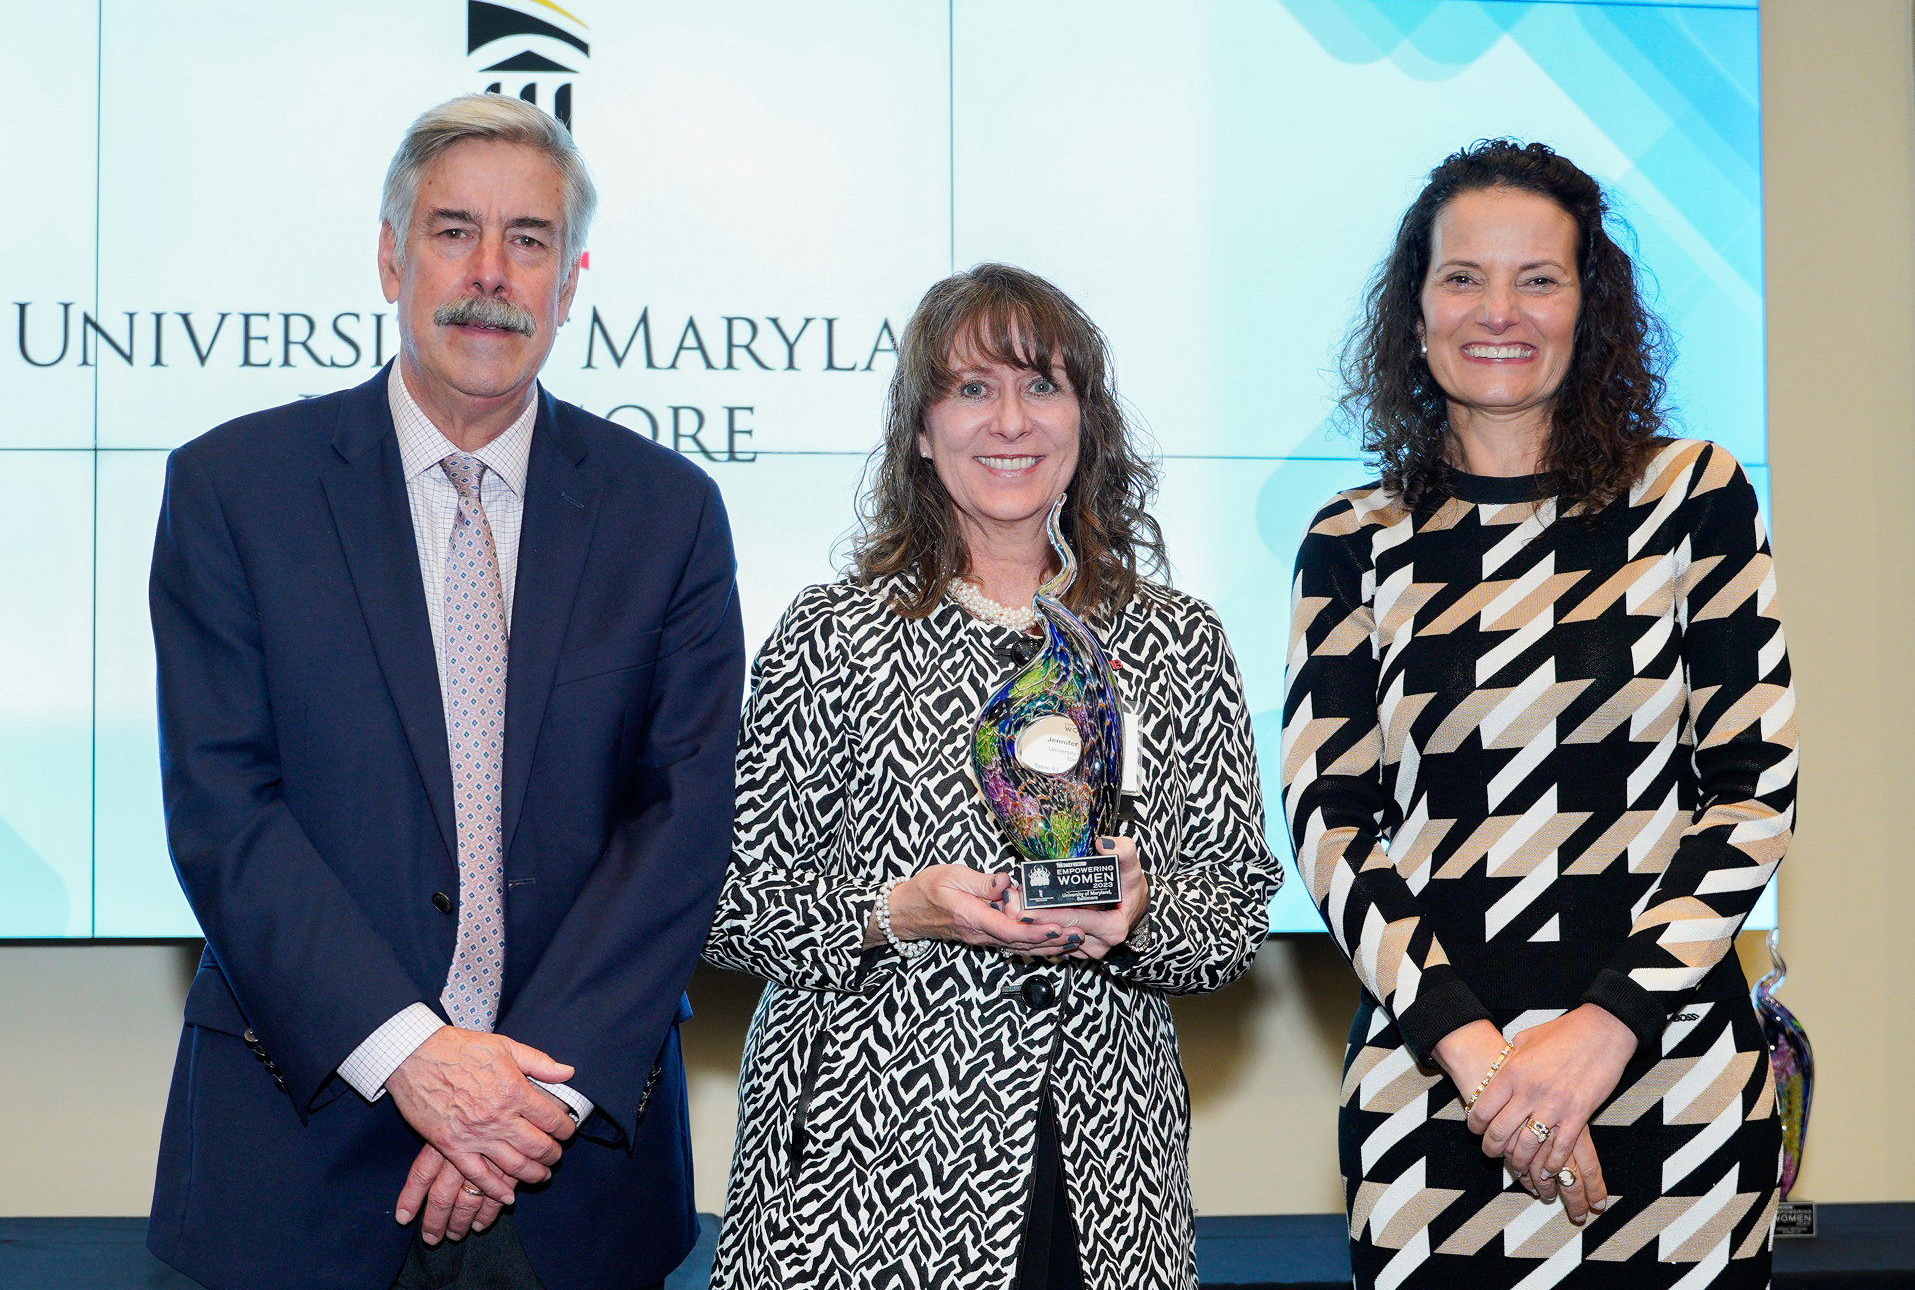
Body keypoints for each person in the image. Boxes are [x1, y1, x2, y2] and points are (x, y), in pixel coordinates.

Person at [145, 93, 744, 1290]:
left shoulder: (666, 513)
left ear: (569, 281)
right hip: (298, 1152)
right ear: (387, 255)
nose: (489, 273)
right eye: (452, 230)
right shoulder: (234, 489)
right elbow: (224, 808)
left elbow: (679, 822)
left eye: (528, 240)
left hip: (575, 1162)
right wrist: (416, 1056)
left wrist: (516, 1099)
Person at [703, 263, 1281, 1290]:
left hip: (1105, 1168)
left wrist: (1138, 916)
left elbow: (1233, 909)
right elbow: (727, 904)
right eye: (971, 389)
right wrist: (899, 910)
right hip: (864, 1171)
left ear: (1085, 424)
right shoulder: (829, 635)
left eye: (1042, 386)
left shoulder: (1178, 640)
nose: (1008, 421)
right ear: (920, 431)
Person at [1281, 139, 1795, 1288]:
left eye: (1538, 278)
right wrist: (1485, 1068)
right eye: (1461, 276)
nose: (1496, 310)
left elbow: (1755, 787)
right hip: (1434, 1097)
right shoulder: (1351, 539)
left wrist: (1594, 1034)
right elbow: (1328, 820)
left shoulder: (1691, 496)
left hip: (1670, 1087)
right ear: (1412, 311)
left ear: (1589, 306)